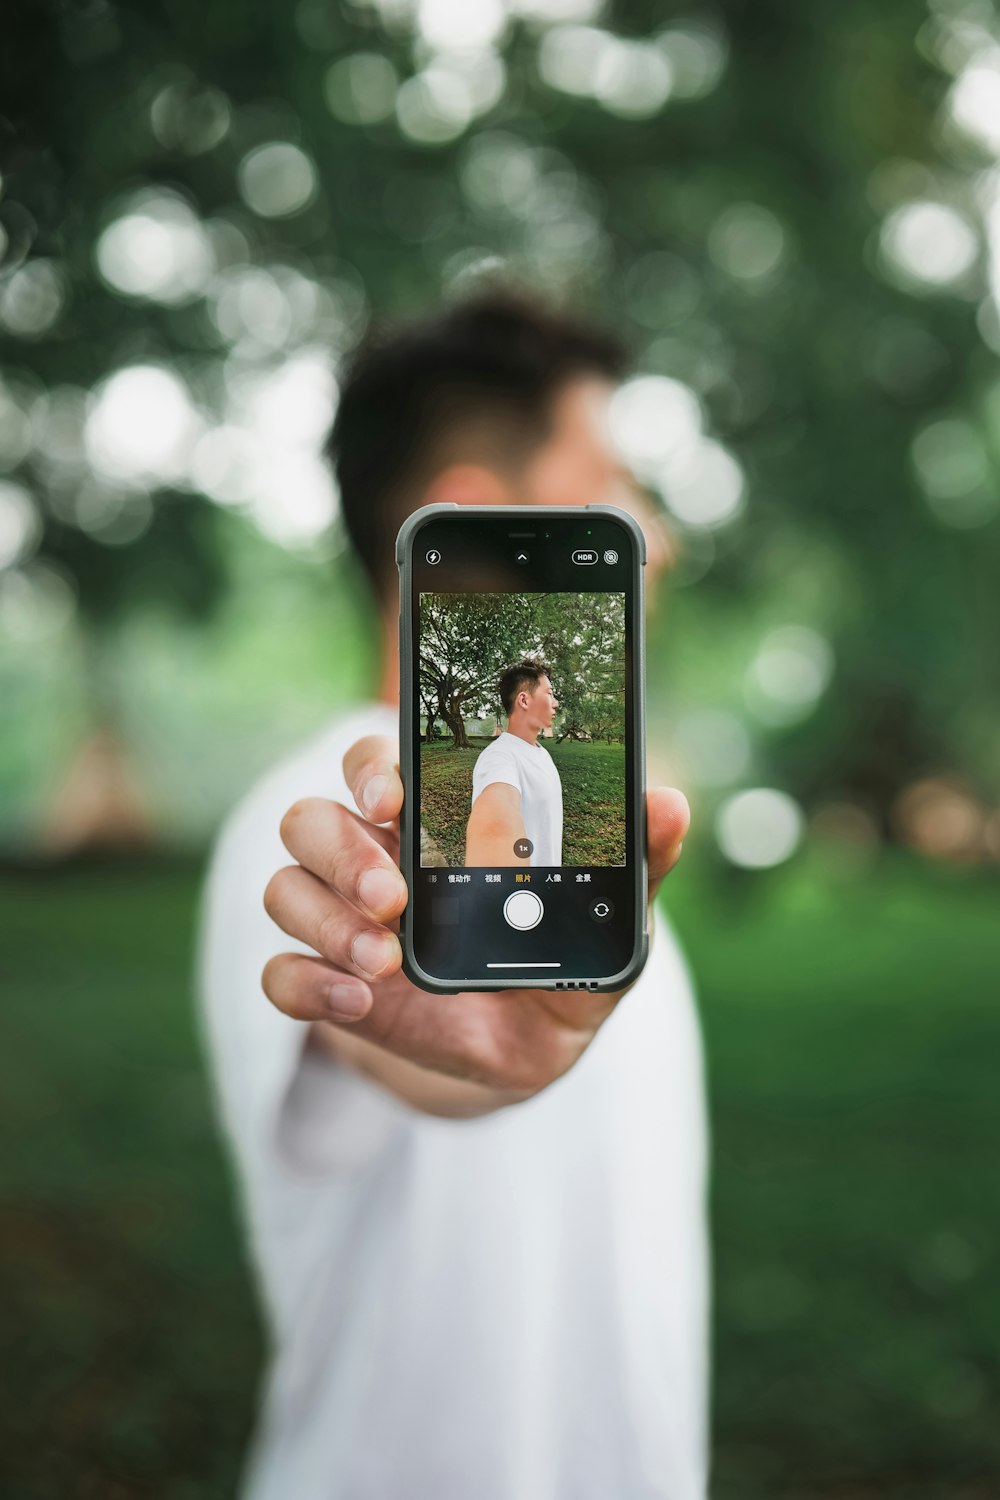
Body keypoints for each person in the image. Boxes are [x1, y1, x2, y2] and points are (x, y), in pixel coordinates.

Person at [198, 290, 709, 1500]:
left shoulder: (585, 831)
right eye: (620, 484)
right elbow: (401, 1047)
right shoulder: (320, 823)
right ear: (483, 517)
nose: (662, 539)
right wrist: (465, 1049)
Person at [466, 657, 563, 868]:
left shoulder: (541, 752)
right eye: (549, 694)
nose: (555, 703)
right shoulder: (499, 757)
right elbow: (495, 821)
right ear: (524, 701)